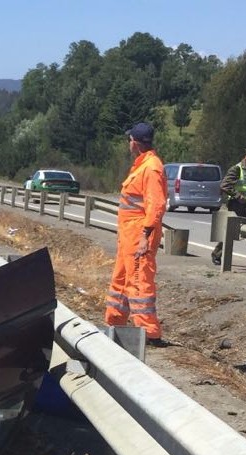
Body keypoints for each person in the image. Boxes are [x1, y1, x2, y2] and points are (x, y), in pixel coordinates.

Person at [105, 122, 168, 346]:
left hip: (140, 236)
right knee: (121, 280)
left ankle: (149, 333)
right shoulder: (141, 165)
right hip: (129, 236)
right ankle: (115, 322)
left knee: (140, 283)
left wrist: (145, 237)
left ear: (136, 142)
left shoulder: (151, 167)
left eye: (130, 139)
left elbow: (156, 205)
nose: (128, 142)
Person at [212, 148, 246, 268]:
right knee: (230, 232)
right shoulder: (237, 169)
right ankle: (217, 254)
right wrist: (237, 196)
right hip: (237, 205)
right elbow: (224, 185)